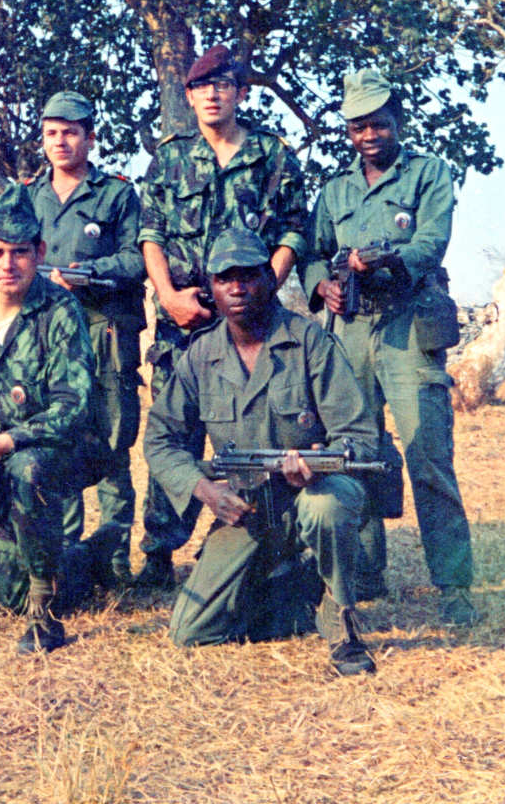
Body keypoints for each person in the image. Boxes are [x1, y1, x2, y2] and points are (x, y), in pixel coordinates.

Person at [144, 229, 380, 675]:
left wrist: (318, 464)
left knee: (325, 507)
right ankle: (298, 590)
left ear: (270, 280)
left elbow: (360, 436)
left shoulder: (309, 342)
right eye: (225, 278)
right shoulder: (200, 355)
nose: (237, 288)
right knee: (191, 631)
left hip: (312, 495)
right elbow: (159, 438)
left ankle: (342, 619)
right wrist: (206, 491)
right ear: (211, 287)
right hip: (248, 510)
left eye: (249, 276)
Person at [300, 68, 478, 626]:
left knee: (428, 457)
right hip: (350, 330)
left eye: (378, 124)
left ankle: (453, 585)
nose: (369, 135)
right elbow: (312, 252)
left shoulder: (428, 173)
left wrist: (382, 260)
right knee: (356, 452)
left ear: (396, 122)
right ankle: (366, 572)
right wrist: (321, 286)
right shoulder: (335, 190)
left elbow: (431, 242)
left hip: (408, 326)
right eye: (358, 127)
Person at [137, 44, 308, 589]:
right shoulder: (169, 158)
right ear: (188, 96)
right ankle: (160, 553)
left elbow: (293, 230)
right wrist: (168, 296)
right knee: (176, 434)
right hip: (184, 322)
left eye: (223, 86)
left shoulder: (271, 154)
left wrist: (263, 290)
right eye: (201, 88)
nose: (212, 95)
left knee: (259, 430)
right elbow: (151, 233)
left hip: (252, 322)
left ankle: (268, 544)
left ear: (241, 93)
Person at [0, 184, 115, 654]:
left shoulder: (60, 310)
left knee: (28, 471)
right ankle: (87, 558)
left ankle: (45, 618)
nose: (8, 264)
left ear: (40, 253)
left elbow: (71, 409)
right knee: (6, 593)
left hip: (65, 451)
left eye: (20, 252)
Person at [0, 92, 146, 588]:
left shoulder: (116, 194)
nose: (60, 142)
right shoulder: (24, 195)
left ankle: (114, 557)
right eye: (51, 133)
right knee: (55, 440)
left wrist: (83, 275)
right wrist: (20, 288)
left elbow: (137, 258)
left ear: (90, 138)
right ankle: (64, 555)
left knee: (112, 443)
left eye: (70, 132)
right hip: (46, 338)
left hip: (102, 330)